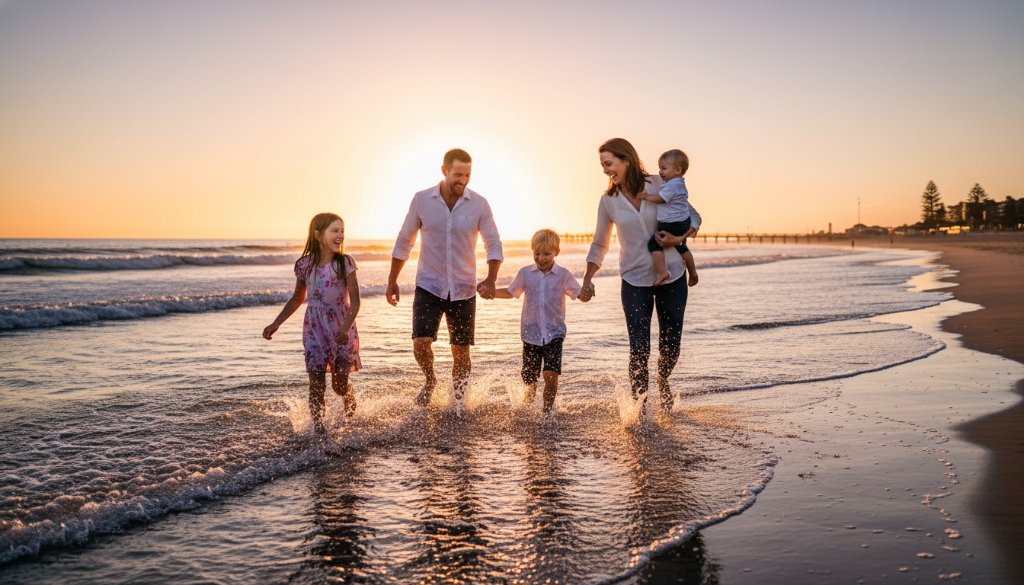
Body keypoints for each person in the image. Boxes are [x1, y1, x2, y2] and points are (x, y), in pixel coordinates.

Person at [579, 138, 701, 413]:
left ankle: (663, 377)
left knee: (671, 345)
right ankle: (639, 411)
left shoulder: (660, 184)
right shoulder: (608, 201)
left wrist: (678, 237)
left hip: (672, 277)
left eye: (608, 164)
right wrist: (588, 277)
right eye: (602, 165)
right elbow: (600, 243)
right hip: (634, 280)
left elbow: (694, 217)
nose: (605, 170)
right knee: (638, 348)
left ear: (627, 160)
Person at [386, 148, 503, 409]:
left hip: (464, 288)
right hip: (428, 284)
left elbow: (493, 243)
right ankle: (430, 380)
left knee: (460, 350)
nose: (462, 180)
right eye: (458, 174)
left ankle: (458, 402)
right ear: (444, 171)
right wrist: (393, 279)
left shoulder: (480, 204)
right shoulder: (421, 200)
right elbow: (405, 240)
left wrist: (491, 278)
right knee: (420, 342)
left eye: (467, 175)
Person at [263, 213, 361, 433]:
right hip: (314, 328)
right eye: (335, 231)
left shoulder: (345, 263)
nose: (341, 236)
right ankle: (319, 432)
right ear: (318, 235)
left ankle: (350, 412)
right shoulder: (304, 265)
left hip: (340, 327)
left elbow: (355, 302)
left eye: (342, 231)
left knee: (339, 386)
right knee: (316, 384)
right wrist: (276, 323)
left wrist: (345, 328)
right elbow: (297, 298)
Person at [492, 229, 584, 413]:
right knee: (529, 379)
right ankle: (528, 407)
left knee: (550, 374)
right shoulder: (526, 273)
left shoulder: (563, 275)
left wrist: (587, 291)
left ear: (556, 252)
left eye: (547, 254)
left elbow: (579, 293)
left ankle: (546, 413)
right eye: (537, 254)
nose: (541, 258)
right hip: (531, 334)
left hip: (554, 333)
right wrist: (491, 292)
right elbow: (511, 292)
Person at [638, 149, 699, 286]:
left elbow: (660, 198)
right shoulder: (678, 183)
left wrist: (645, 196)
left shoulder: (672, 186)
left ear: (677, 170)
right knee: (682, 248)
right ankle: (693, 272)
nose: (660, 172)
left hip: (671, 224)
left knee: (653, 244)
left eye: (664, 168)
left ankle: (662, 272)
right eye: (660, 168)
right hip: (682, 222)